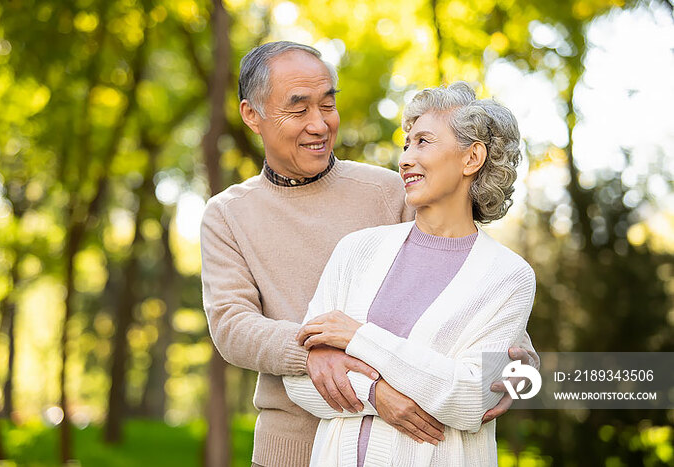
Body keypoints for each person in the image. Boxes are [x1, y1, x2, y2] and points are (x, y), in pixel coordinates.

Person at [201, 42, 538, 467]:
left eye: (328, 104)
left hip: (408, 443)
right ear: (253, 115)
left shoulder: (393, 190)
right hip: (288, 439)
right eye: (298, 108)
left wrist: (514, 363)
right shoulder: (228, 213)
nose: (319, 124)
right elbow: (232, 325)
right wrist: (318, 351)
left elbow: (465, 289)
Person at [283, 82, 536, 466]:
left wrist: (358, 338)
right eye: (406, 145)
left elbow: (470, 398)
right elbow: (302, 379)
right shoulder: (356, 250)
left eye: (423, 142)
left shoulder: (508, 277)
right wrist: (378, 396)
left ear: (472, 158)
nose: (405, 159)